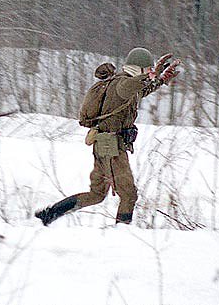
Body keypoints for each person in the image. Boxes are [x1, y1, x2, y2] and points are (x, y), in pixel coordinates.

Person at [35, 47, 180, 225]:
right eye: (148, 69)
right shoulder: (123, 83)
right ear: (139, 69)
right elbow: (134, 86)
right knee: (129, 195)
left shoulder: (126, 86)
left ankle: (50, 214)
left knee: (96, 195)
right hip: (112, 148)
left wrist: (160, 80)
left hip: (104, 145)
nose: (151, 71)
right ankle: (121, 234)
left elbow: (142, 90)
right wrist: (152, 75)